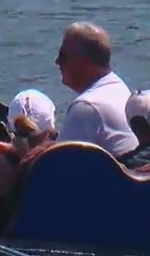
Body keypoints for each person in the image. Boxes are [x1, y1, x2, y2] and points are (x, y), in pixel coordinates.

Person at [55, 22, 137, 157]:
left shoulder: (87, 107)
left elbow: (58, 164)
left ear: (84, 61)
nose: (57, 61)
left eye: (63, 56)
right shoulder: (118, 89)